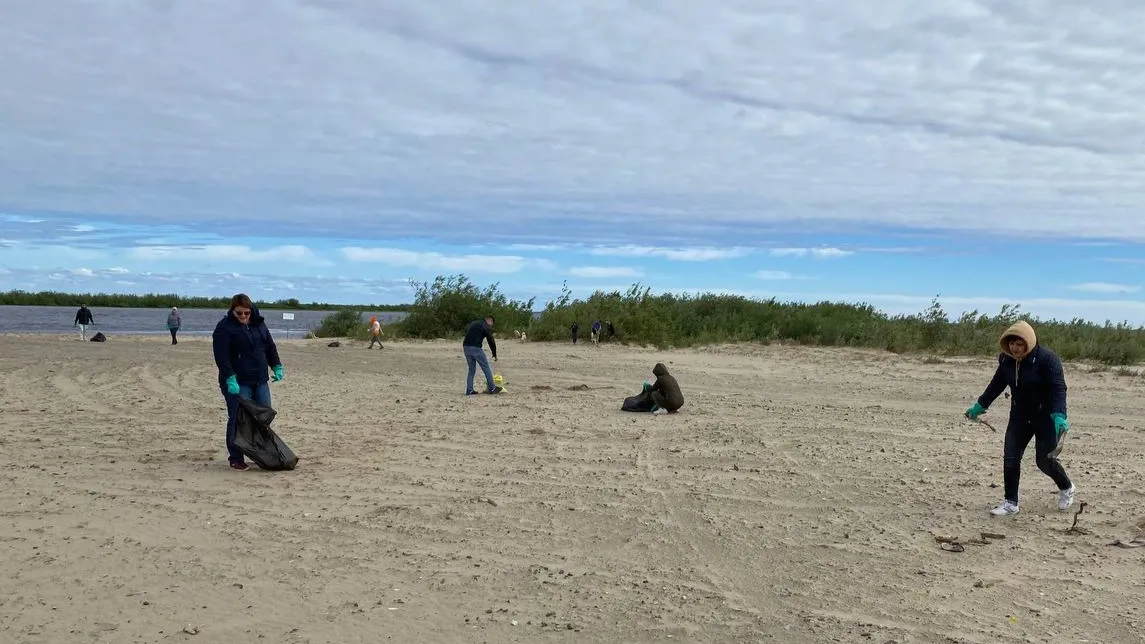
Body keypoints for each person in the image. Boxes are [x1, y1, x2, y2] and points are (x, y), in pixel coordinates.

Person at [965, 320, 1076, 516]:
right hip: (1019, 416)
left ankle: (1067, 487)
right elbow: (997, 384)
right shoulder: (1006, 360)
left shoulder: (1047, 359)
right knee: (1010, 457)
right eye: (1011, 343)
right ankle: (1010, 503)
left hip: (1046, 418)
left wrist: (1060, 415)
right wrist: (980, 405)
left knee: (1044, 461)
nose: (1014, 348)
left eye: (1019, 344)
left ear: (1029, 342)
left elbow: (1059, 388)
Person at [212, 293, 285, 471]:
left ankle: (260, 452)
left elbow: (269, 345)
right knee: (237, 418)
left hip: (259, 379)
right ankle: (236, 457)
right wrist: (229, 378)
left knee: (263, 416)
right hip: (237, 381)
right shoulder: (224, 328)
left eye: (247, 313)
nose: (244, 316)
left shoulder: (258, 323)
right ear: (232, 311)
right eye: (239, 313)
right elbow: (221, 357)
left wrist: (276, 365)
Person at [462, 315, 503, 395]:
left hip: (466, 347)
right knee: (486, 367)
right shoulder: (486, 326)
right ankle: (492, 388)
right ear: (490, 320)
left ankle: (469, 390)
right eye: (492, 324)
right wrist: (494, 353)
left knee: (471, 369)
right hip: (476, 348)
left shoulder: (474, 323)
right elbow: (491, 340)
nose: (491, 326)